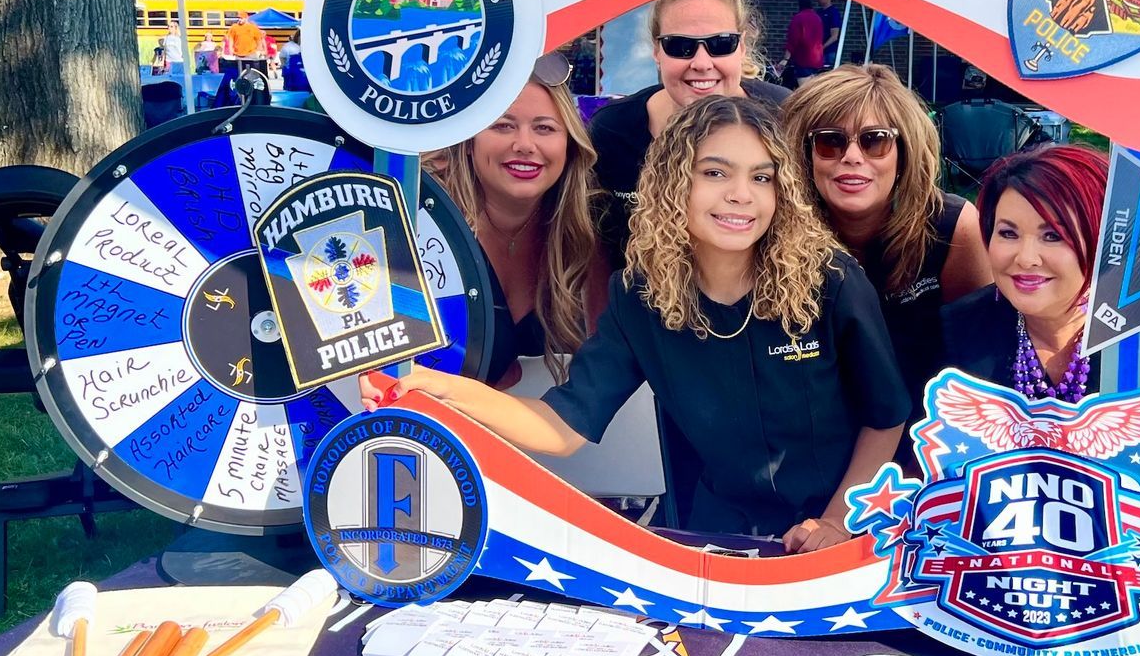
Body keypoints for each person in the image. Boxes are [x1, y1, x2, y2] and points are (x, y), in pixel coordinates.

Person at [367, 94, 910, 552]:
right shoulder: (641, 295)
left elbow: (886, 416)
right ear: (676, 183)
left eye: (761, 177)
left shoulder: (831, 280)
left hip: (842, 529)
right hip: (720, 534)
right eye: (715, 172)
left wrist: (840, 522)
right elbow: (561, 427)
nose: (741, 194)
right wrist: (440, 390)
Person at [941, 144, 1140, 408]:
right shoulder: (957, 331)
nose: (1026, 258)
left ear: (1108, 239)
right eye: (1008, 233)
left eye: (1053, 235)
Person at [781, 64, 990, 414]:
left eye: (875, 140)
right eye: (829, 140)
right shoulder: (778, 232)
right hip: (822, 437)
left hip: (933, 435)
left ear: (903, 152)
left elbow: (981, 359)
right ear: (806, 155)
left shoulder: (951, 226)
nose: (851, 156)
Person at [420, 55, 607, 388]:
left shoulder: (586, 230)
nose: (524, 145)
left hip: (545, 431)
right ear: (469, 140)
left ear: (569, 144)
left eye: (544, 128)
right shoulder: (425, 222)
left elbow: (604, 368)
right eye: (503, 125)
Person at [588, 0, 790, 272]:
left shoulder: (786, 117)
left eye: (721, 44)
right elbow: (595, 250)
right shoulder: (612, 131)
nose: (701, 62)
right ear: (657, 51)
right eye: (680, 46)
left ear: (742, 47)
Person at [783, 0, 826, 88]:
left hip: (803, 60)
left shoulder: (798, 19)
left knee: (804, 91)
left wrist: (785, 59)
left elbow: (792, 41)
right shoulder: (817, 18)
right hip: (817, 61)